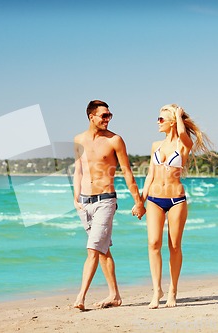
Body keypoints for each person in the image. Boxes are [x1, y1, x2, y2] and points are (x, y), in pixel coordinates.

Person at [73, 100, 146, 311]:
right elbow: (78, 170)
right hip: (85, 203)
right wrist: (75, 197)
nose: (107, 119)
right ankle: (115, 295)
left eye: (109, 115)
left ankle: (80, 297)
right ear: (91, 117)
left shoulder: (115, 140)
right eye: (104, 115)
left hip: (106, 200)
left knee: (93, 249)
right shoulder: (78, 140)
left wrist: (138, 202)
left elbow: (127, 172)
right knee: (103, 250)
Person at [140, 103, 215, 309]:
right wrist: (141, 199)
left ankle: (173, 290)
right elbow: (150, 174)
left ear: (173, 121)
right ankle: (157, 291)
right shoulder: (156, 145)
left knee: (174, 246)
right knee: (153, 244)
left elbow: (182, 133)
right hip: (154, 199)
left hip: (176, 200)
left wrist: (180, 115)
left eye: (161, 119)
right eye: (158, 118)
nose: (158, 122)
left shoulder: (184, 144)